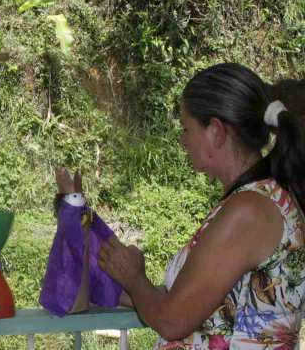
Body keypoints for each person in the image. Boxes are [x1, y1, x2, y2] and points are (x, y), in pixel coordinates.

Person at [60, 63, 305, 349]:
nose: (182, 140)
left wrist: (134, 278)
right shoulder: (252, 200)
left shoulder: (250, 209)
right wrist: (118, 279)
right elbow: (187, 304)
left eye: (186, 128)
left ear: (215, 131)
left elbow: (172, 322)